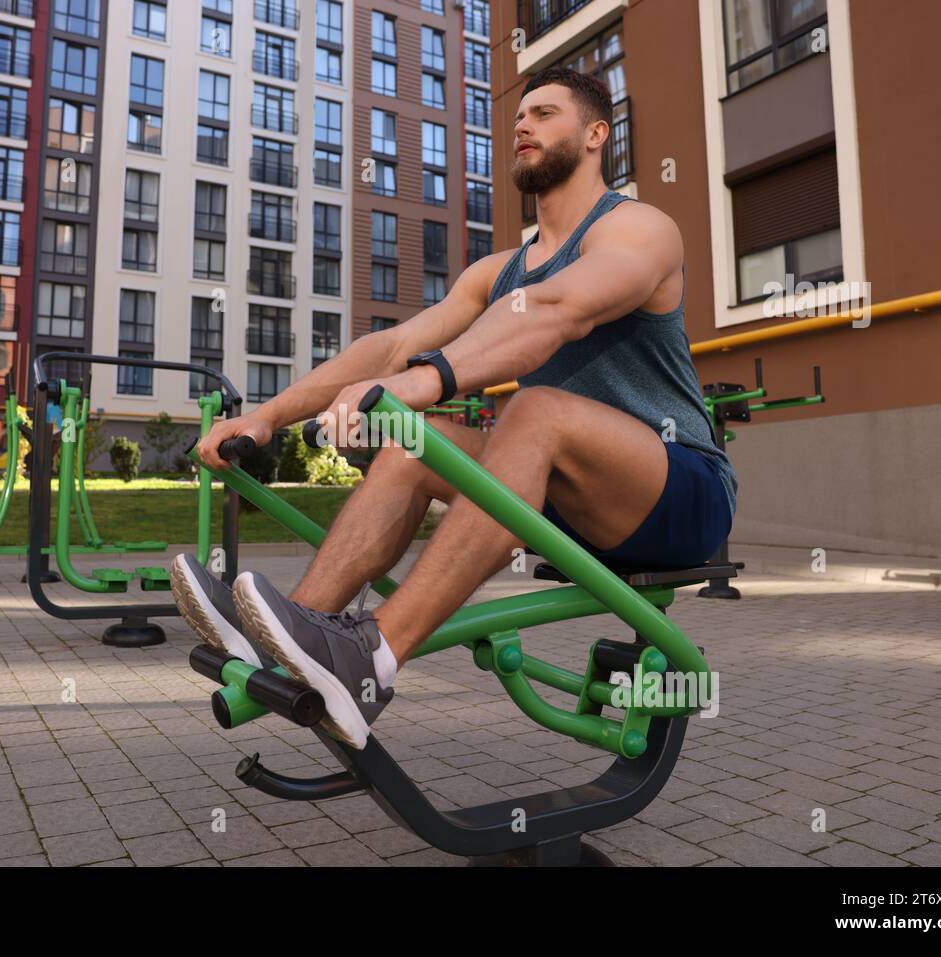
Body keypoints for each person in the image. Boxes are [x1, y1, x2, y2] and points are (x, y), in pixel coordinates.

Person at [171, 67, 736, 750]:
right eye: (519, 115)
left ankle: (372, 658)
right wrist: (268, 415)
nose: (522, 125)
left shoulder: (641, 228)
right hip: (567, 499)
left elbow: (562, 309)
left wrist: (431, 378)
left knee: (534, 413)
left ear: (595, 135)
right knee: (417, 442)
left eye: (545, 113)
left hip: (680, 489)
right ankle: (283, 635)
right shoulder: (498, 271)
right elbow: (393, 344)